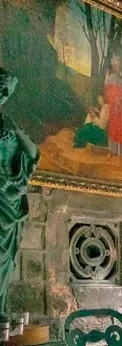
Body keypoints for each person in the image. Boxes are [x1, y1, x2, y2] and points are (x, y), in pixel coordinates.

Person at [0, 68, 37, 320]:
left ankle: (0, 307)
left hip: (9, 196)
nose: (3, 94)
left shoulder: (8, 124)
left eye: (7, 91)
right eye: (1, 88)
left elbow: (32, 153)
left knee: (5, 257)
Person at [104, 54, 122, 157]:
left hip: (120, 109)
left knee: (119, 129)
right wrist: (115, 101)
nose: (118, 69)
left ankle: (119, 153)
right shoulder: (110, 78)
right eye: (116, 67)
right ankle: (111, 151)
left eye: (119, 67)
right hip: (113, 108)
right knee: (112, 129)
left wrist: (121, 100)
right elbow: (108, 92)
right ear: (113, 67)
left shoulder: (121, 81)